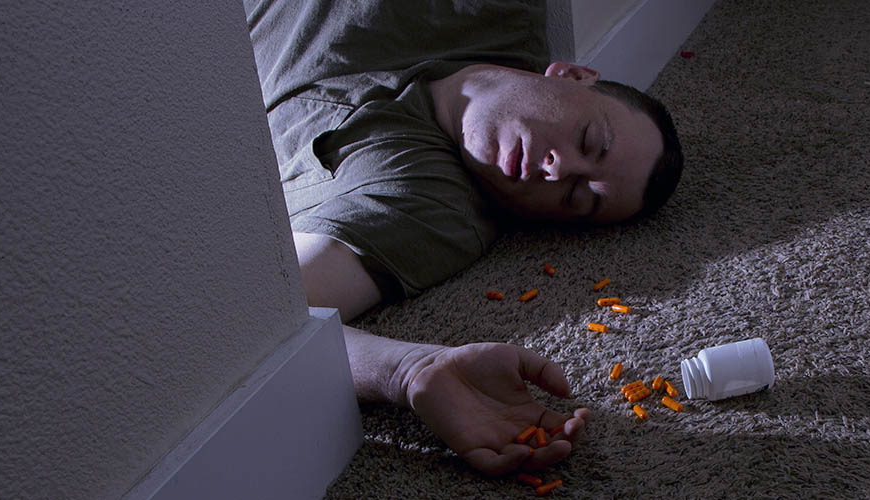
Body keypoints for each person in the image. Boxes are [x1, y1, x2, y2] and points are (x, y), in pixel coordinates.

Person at [243, 0, 683, 476]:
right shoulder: (500, 11)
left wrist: (408, 369)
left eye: (576, 197)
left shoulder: (432, 211)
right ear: (572, 75)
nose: (560, 171)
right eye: (588, 140)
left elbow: (263, 316)